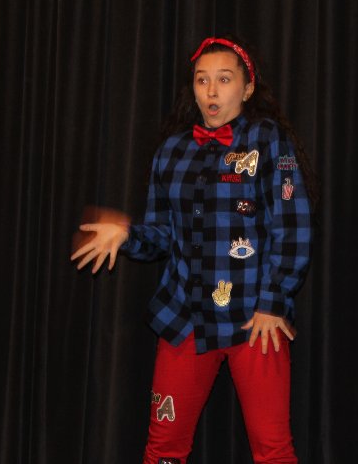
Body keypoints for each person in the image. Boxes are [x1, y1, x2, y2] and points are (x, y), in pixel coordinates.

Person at [71, 36, 315, 464]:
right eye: (202, 80)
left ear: (247, 88)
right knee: (163, 449)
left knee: (273, 450)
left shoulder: (268, 140)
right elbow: (162, 234)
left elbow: (292, 224)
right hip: (184, 317)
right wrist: (126, 235)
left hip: (254, 320)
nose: (212, 91)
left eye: (224, 79)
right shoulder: (171, 151)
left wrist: (273, 303)